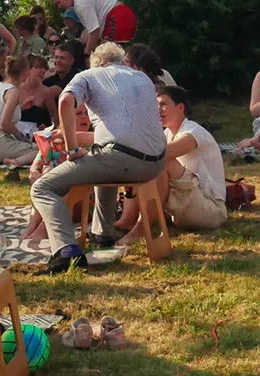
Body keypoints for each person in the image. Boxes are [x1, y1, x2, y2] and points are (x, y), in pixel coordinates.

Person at [33, 42, 167, 272]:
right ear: (122, 61)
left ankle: (66, 250)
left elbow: (65, 102)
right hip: (156, 161)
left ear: (94, 63)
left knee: (43, 187)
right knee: (101, 159)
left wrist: (73, 148)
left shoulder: (88, 75)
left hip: (122, 158)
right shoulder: (141, 78)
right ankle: (102, 234)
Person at [118, 85, 227, 239]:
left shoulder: (194, 132)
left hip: (211, 211)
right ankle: (126, 221)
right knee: (145, 167)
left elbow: (159, 155)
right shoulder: (167, 134)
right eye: (155, 106)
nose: (157, 110)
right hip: (183, 206)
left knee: (160, 162)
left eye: (163, 105)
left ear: (180, 107)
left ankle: (140, 230)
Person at [0, 55, 46, 167]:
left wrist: (22, 107)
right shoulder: (13, 92)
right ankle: (16, 162)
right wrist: (22, 136)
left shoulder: (1, 86)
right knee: (43, 150)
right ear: (25, 72)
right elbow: (5, 123)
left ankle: (9, 160)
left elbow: (0, 113)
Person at [49, 0, 138, 53]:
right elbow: (91, 34)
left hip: (118, 18)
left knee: (109, 57)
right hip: (122, 16)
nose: (59, 6)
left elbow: (94, 31)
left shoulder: (81, 2)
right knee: (117, 55)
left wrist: (87, 55)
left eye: (58, 2)